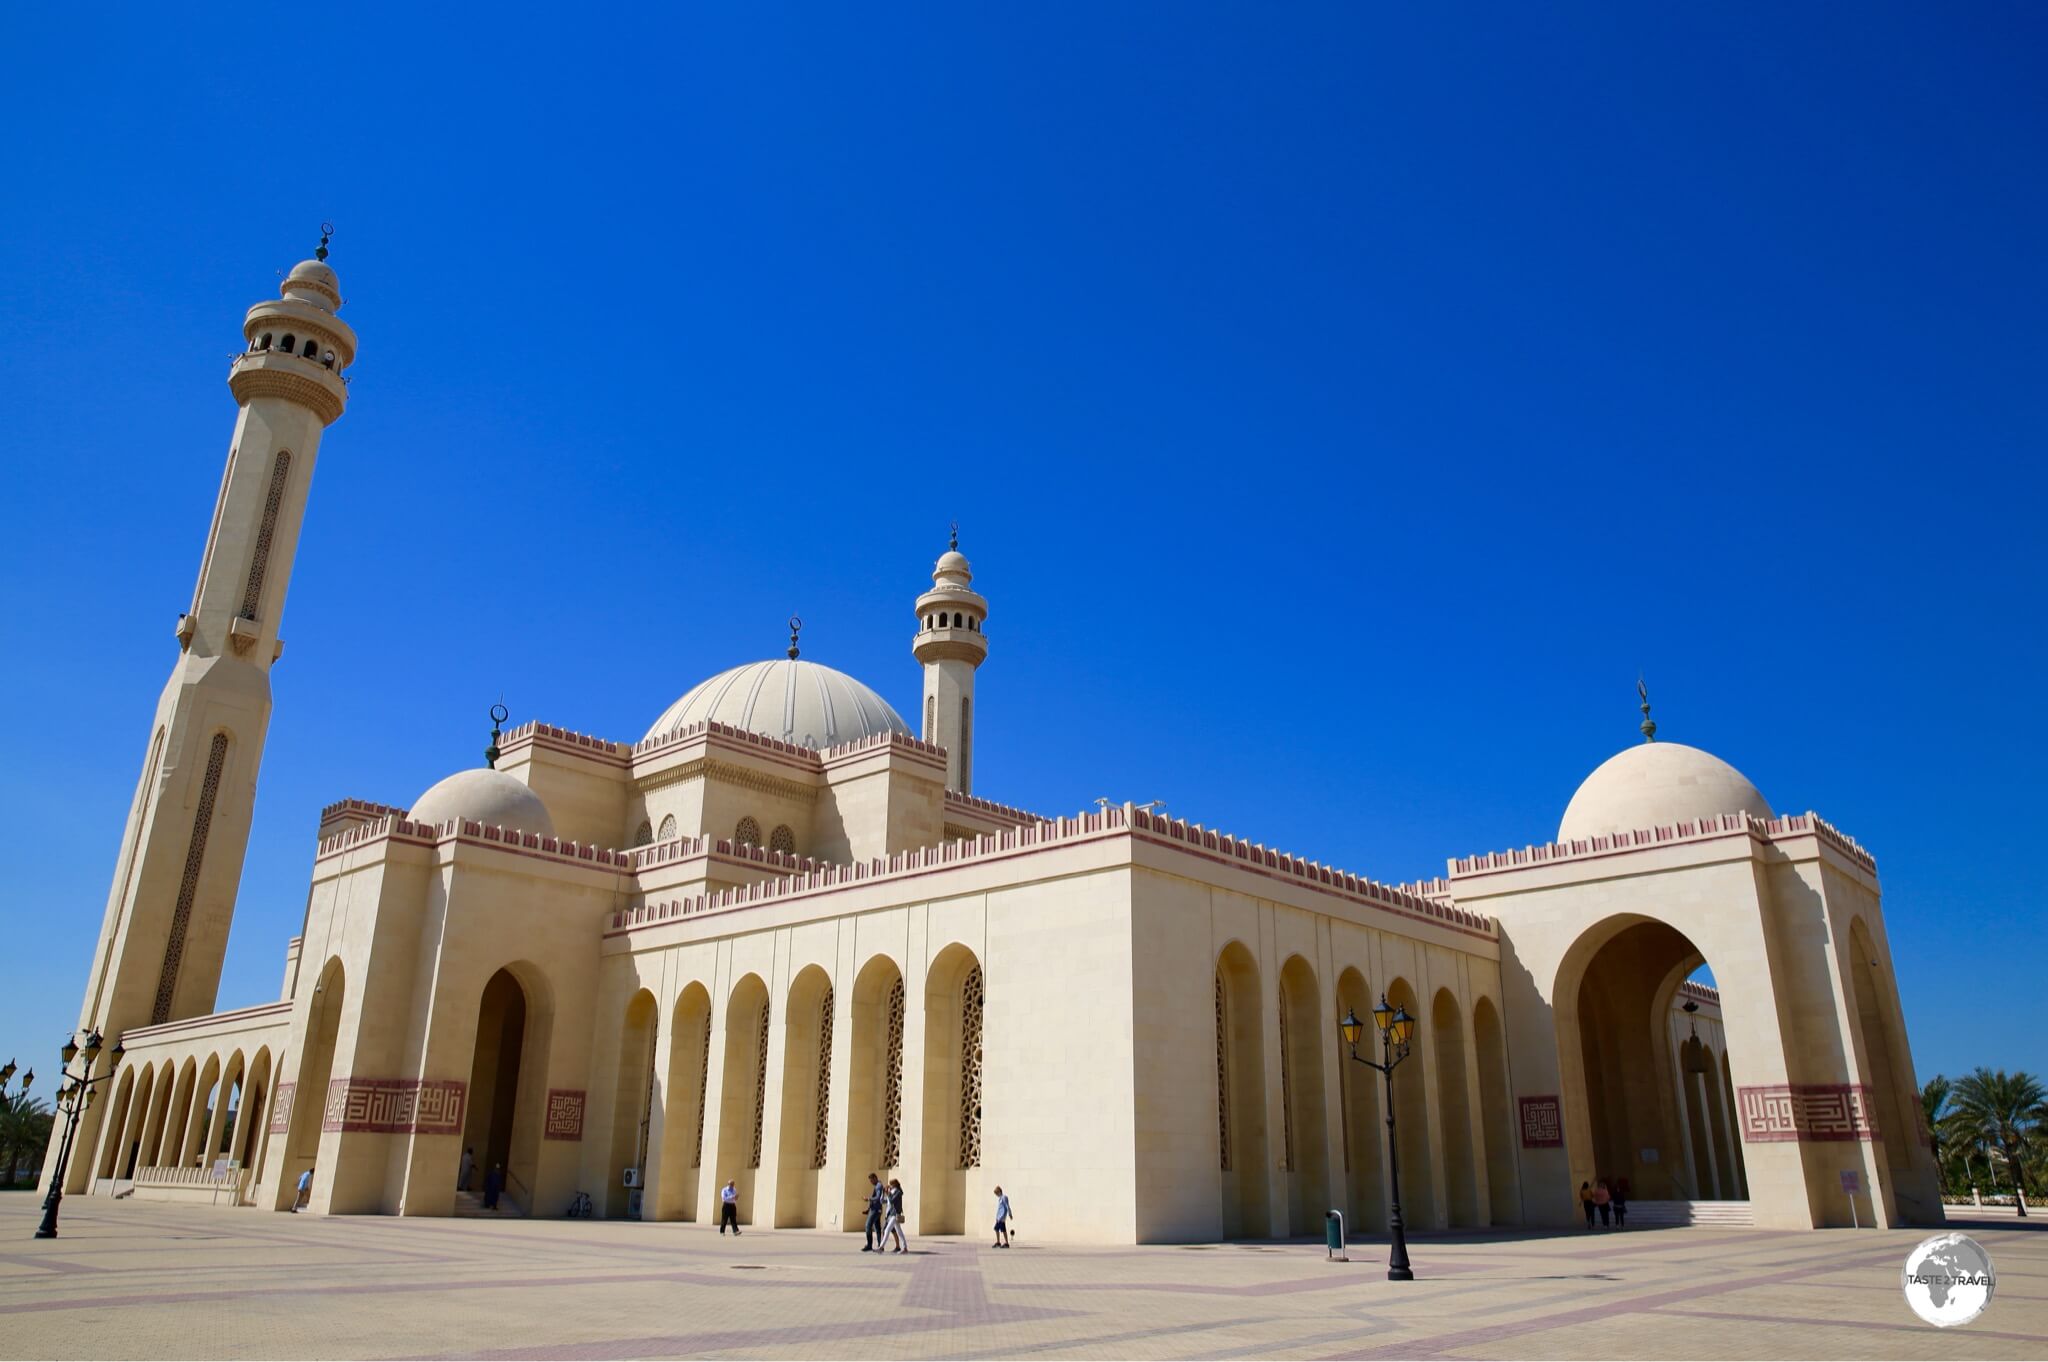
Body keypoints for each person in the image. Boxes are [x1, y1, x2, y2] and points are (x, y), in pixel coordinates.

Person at [862, 1172, 886, 1251]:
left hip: (875, 1210)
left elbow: (878, 1197)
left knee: (868, 1226)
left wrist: (868, 1199)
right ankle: (880, 1245)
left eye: (871, 1180)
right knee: (877, 1228)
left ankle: (869, 1245)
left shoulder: (878, 1186)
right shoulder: (878, 1185)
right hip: (876, 1209)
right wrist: (868, 1209)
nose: (871, 1182)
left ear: (875, 1178)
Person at [883, 1178, 908, 1252]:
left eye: (891, 1184)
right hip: (892, 1214)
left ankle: (881, 1247)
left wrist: (888, 1194)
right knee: (899, 1232)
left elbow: (892, 1201)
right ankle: (905, 1248)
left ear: (894, 1184)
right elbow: (886, 1201)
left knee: (887, 1229)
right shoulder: (893, 1191)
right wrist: (885, 1193)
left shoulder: (898, 1192)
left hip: (895, 1214)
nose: (890, 1186)